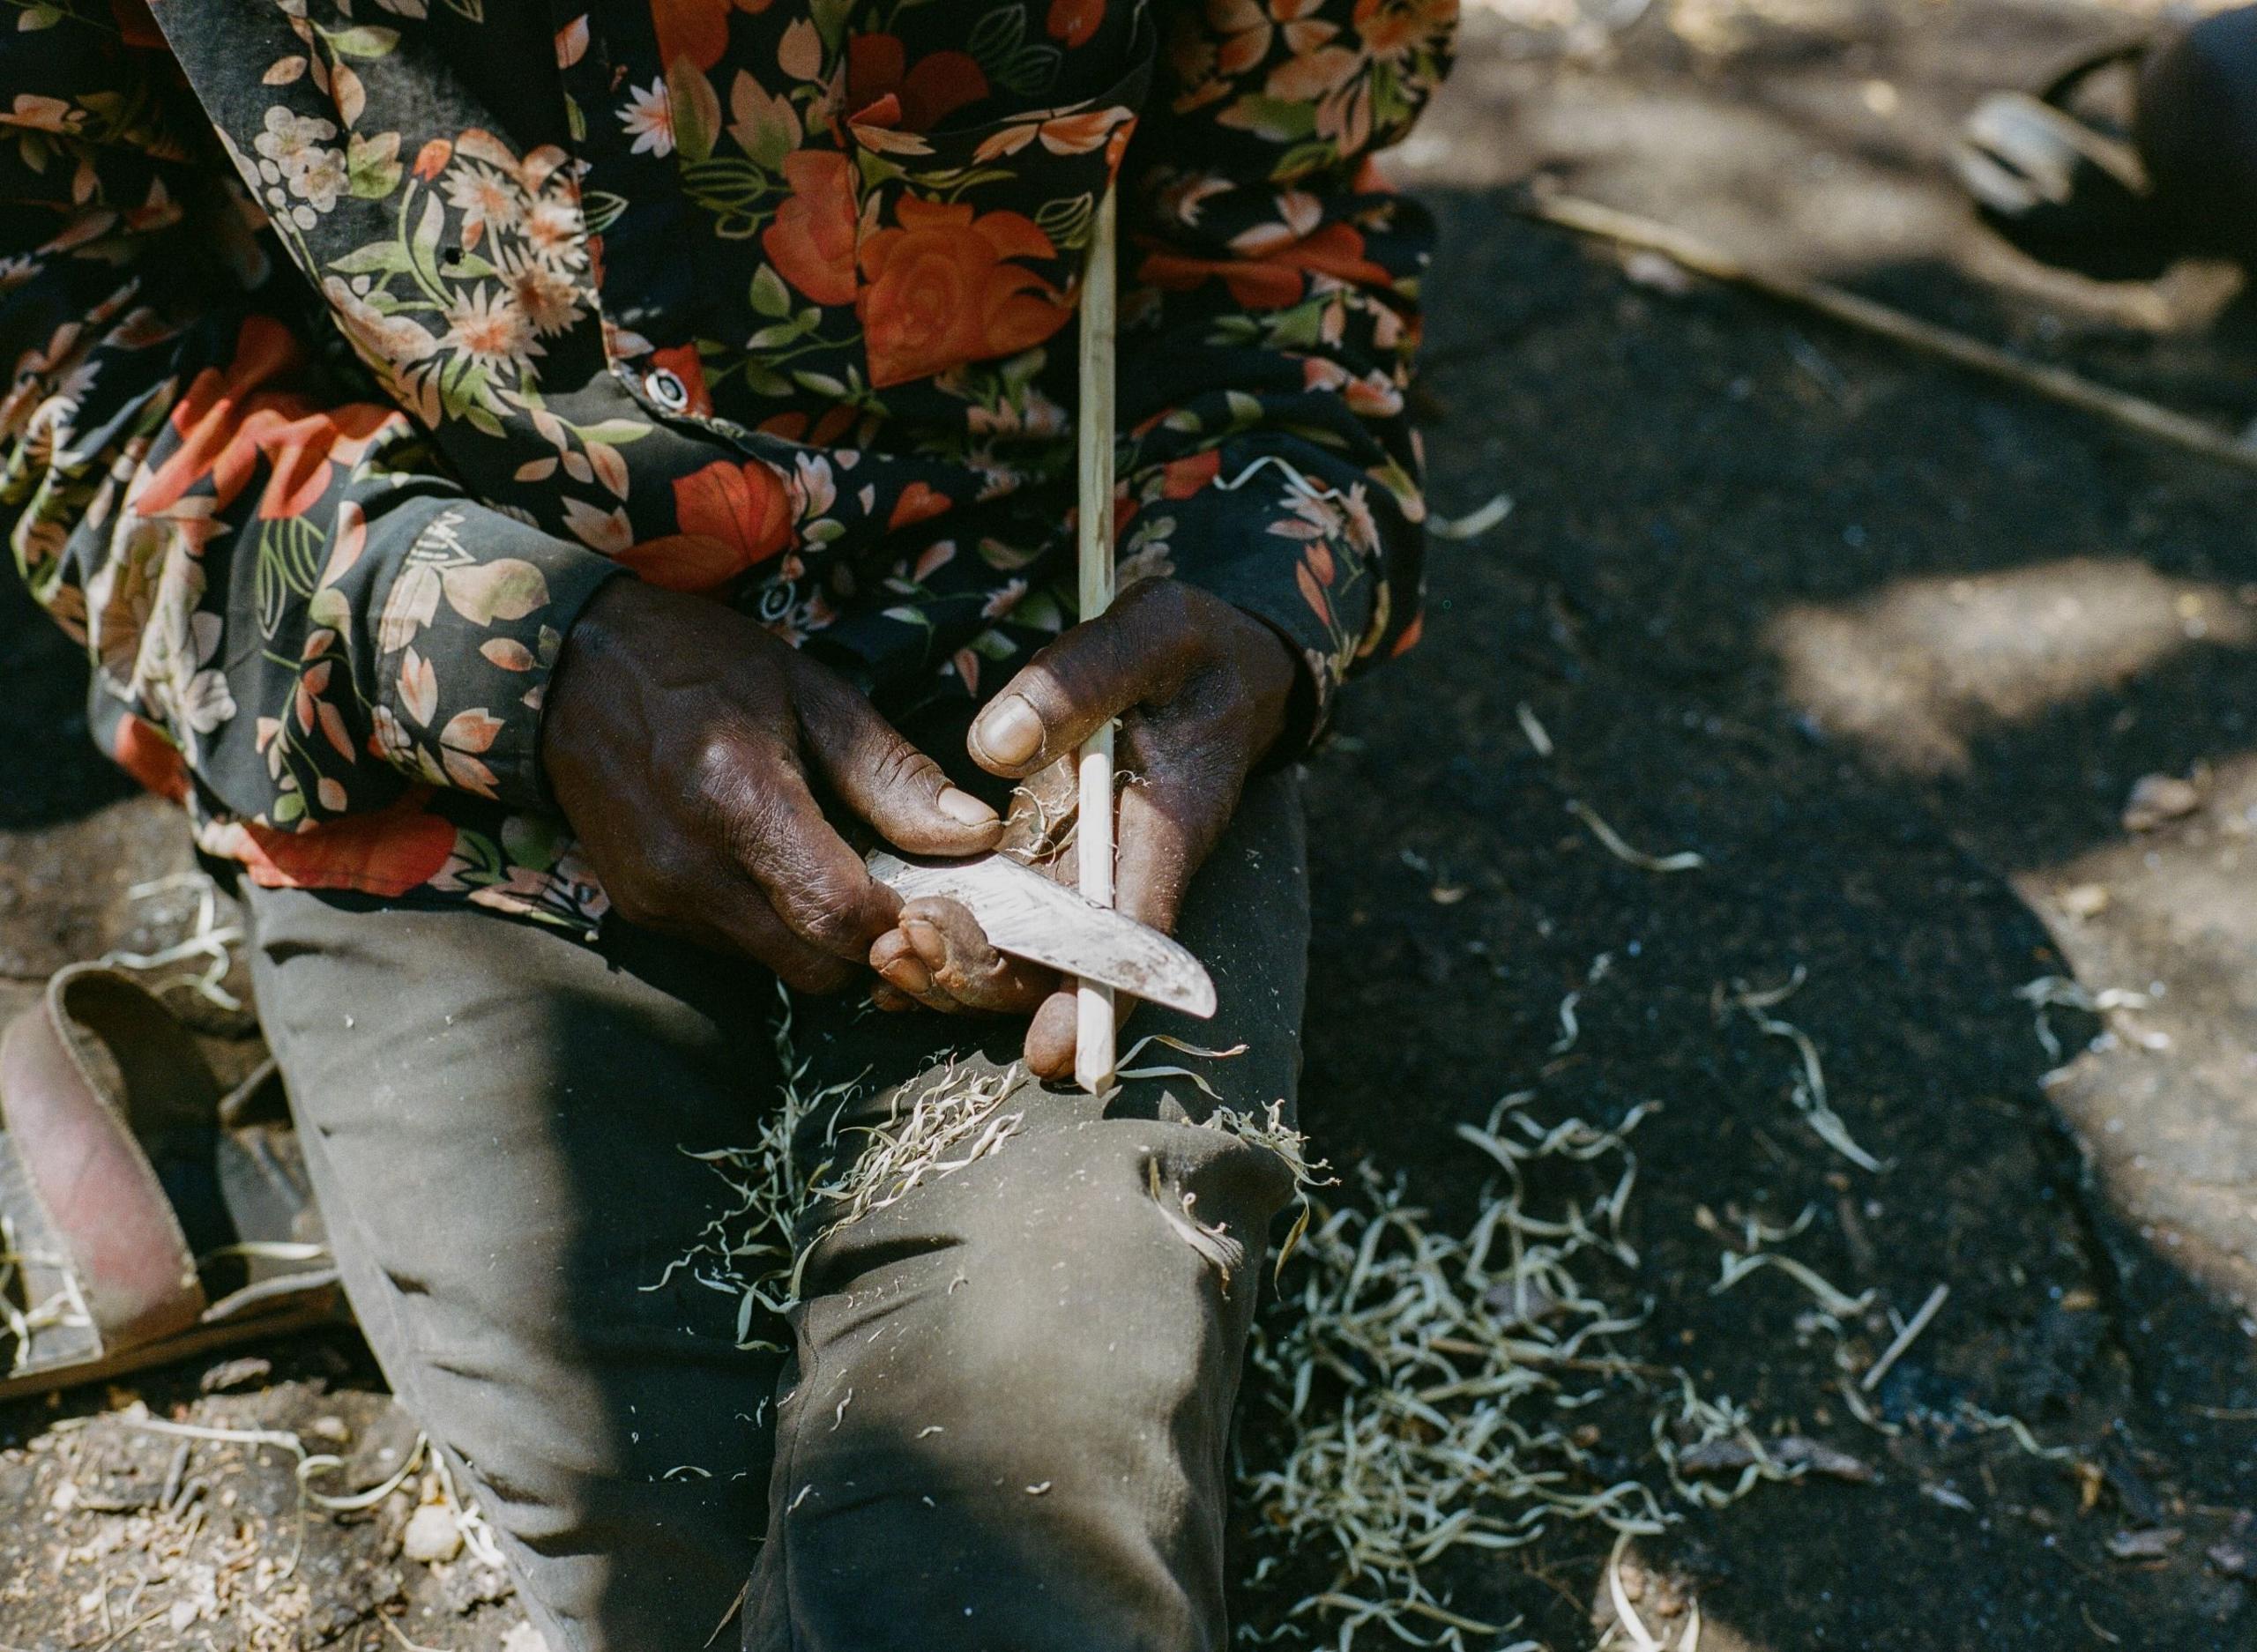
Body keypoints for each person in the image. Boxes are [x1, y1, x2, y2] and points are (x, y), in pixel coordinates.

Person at [0, 1, 1452, 1646]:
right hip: (455, 748)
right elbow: (71, 389)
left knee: (1006, 1545)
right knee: (654, 1543)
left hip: (1036, 688)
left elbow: (1288, 244)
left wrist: (1253, 606)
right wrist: (523, 657)